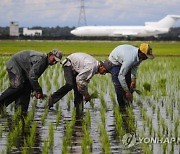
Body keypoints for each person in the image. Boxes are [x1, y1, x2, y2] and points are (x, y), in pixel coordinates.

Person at [0, 49, 63, 114]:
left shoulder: (45, 62)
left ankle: (20, 111)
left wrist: (33, 90)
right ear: (50, 55)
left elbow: (32, 77)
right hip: (15, 65)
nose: (54, 62)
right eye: (54, 59)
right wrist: (39, 91)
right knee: (17, 86)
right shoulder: (42, 59)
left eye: (57, 61)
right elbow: (32, 77)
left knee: (26, 89)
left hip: (24, 71)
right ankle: (1, 103)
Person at [107, 43, 154, 107]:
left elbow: (134, 67)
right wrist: (127, 91)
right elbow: (121, 76)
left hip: (124, 60)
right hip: (115, 62)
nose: (147, 58)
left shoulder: (141, 57)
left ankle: (128, 105)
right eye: (146, 56)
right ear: (141, 53)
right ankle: (122, 108)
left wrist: (133, 80)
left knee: (130, 86)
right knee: (119, 86)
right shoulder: (130, 59)